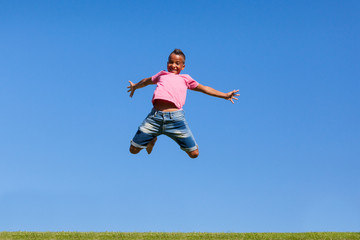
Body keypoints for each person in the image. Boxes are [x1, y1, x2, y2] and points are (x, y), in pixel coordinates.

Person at [127, 49, 239, 158]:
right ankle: (152, 139)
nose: (173, 65)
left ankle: (155, 137)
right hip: (154, 118)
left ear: (183, 66)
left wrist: (224, 95)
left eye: (177, 63)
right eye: (171, 62)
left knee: (194, 154)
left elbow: (205, 89)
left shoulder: (186, 79)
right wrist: (135, 86)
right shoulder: (162, 75)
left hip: (176, 120)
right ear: (167, 63)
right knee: (133, 150)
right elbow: (146, 81)